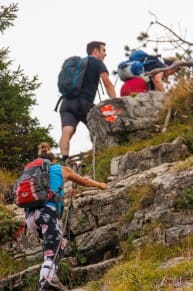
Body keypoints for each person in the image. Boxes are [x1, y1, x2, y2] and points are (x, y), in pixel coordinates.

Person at [25, 142, 107, 290]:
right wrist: (101, 185)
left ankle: (51, 277)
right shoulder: (60, 169)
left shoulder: (31, 173)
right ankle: (45, 282)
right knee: (53, 250)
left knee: (59, 244)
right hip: (47, 214)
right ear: (53, 160)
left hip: (30, 218)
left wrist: (65, 194)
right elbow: (85, 181)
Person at [59, 41, 117, 164]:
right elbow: (107, 83)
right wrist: (116, 102)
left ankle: (65, 159)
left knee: (67, 129)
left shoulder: (78, 65)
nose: (105, 54)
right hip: (85, 104)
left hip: (66, 103)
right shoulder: (97, 63)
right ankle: (102, 153)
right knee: (99, 127)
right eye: (103, 50)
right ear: (95, 51)